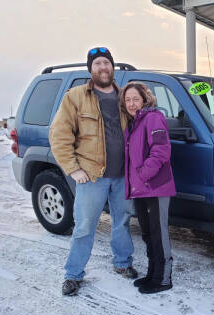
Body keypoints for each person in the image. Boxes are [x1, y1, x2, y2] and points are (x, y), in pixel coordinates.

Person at [49, 47, 137, 296]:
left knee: (122, 222)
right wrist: (72, 168)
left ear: (113, 67)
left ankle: (122, 263)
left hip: (122, 176)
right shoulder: (75, 97)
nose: (103, 67)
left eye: (107, 63)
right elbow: (59, 135)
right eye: (98, 63)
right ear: (91, 69)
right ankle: (73, 274)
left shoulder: (124, 98)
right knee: (85, 226)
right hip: (91, 176)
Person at [120, 81, 176, 294]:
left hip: (155, 187)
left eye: (135, 99)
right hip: (140, 189)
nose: (132, 103)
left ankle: (163, 279)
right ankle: (153, 274)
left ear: (144, 99)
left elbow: (161, 151)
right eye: (128, 100)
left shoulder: (153, 117)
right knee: (147, 234)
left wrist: (143, 174)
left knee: (158, 233)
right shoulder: (134, 123)